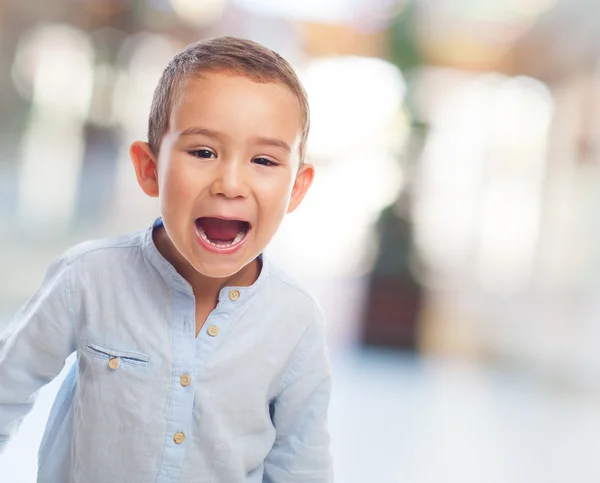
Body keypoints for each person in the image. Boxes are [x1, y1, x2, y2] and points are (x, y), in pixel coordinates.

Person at [0, 36, 332, 482]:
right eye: (203, 152)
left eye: (264, 160)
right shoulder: (89, 278)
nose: (230, 183)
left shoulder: (296, 320)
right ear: (149, 168)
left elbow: (301, 466)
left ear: (296, 189)